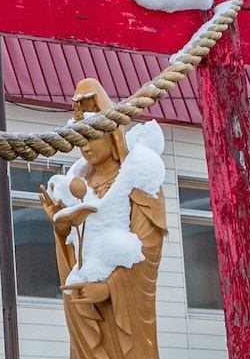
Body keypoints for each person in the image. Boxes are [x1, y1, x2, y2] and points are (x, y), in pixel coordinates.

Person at [38, 78, 168, 359]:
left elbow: (148, 250)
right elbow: (78, 255)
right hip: (86, 309)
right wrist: (61, 229)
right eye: (80, 139)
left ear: (114, 134)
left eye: (93, 135)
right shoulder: (79, 182)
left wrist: (108, 288)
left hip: (123, 309)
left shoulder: (138, 176)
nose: (85, 147)